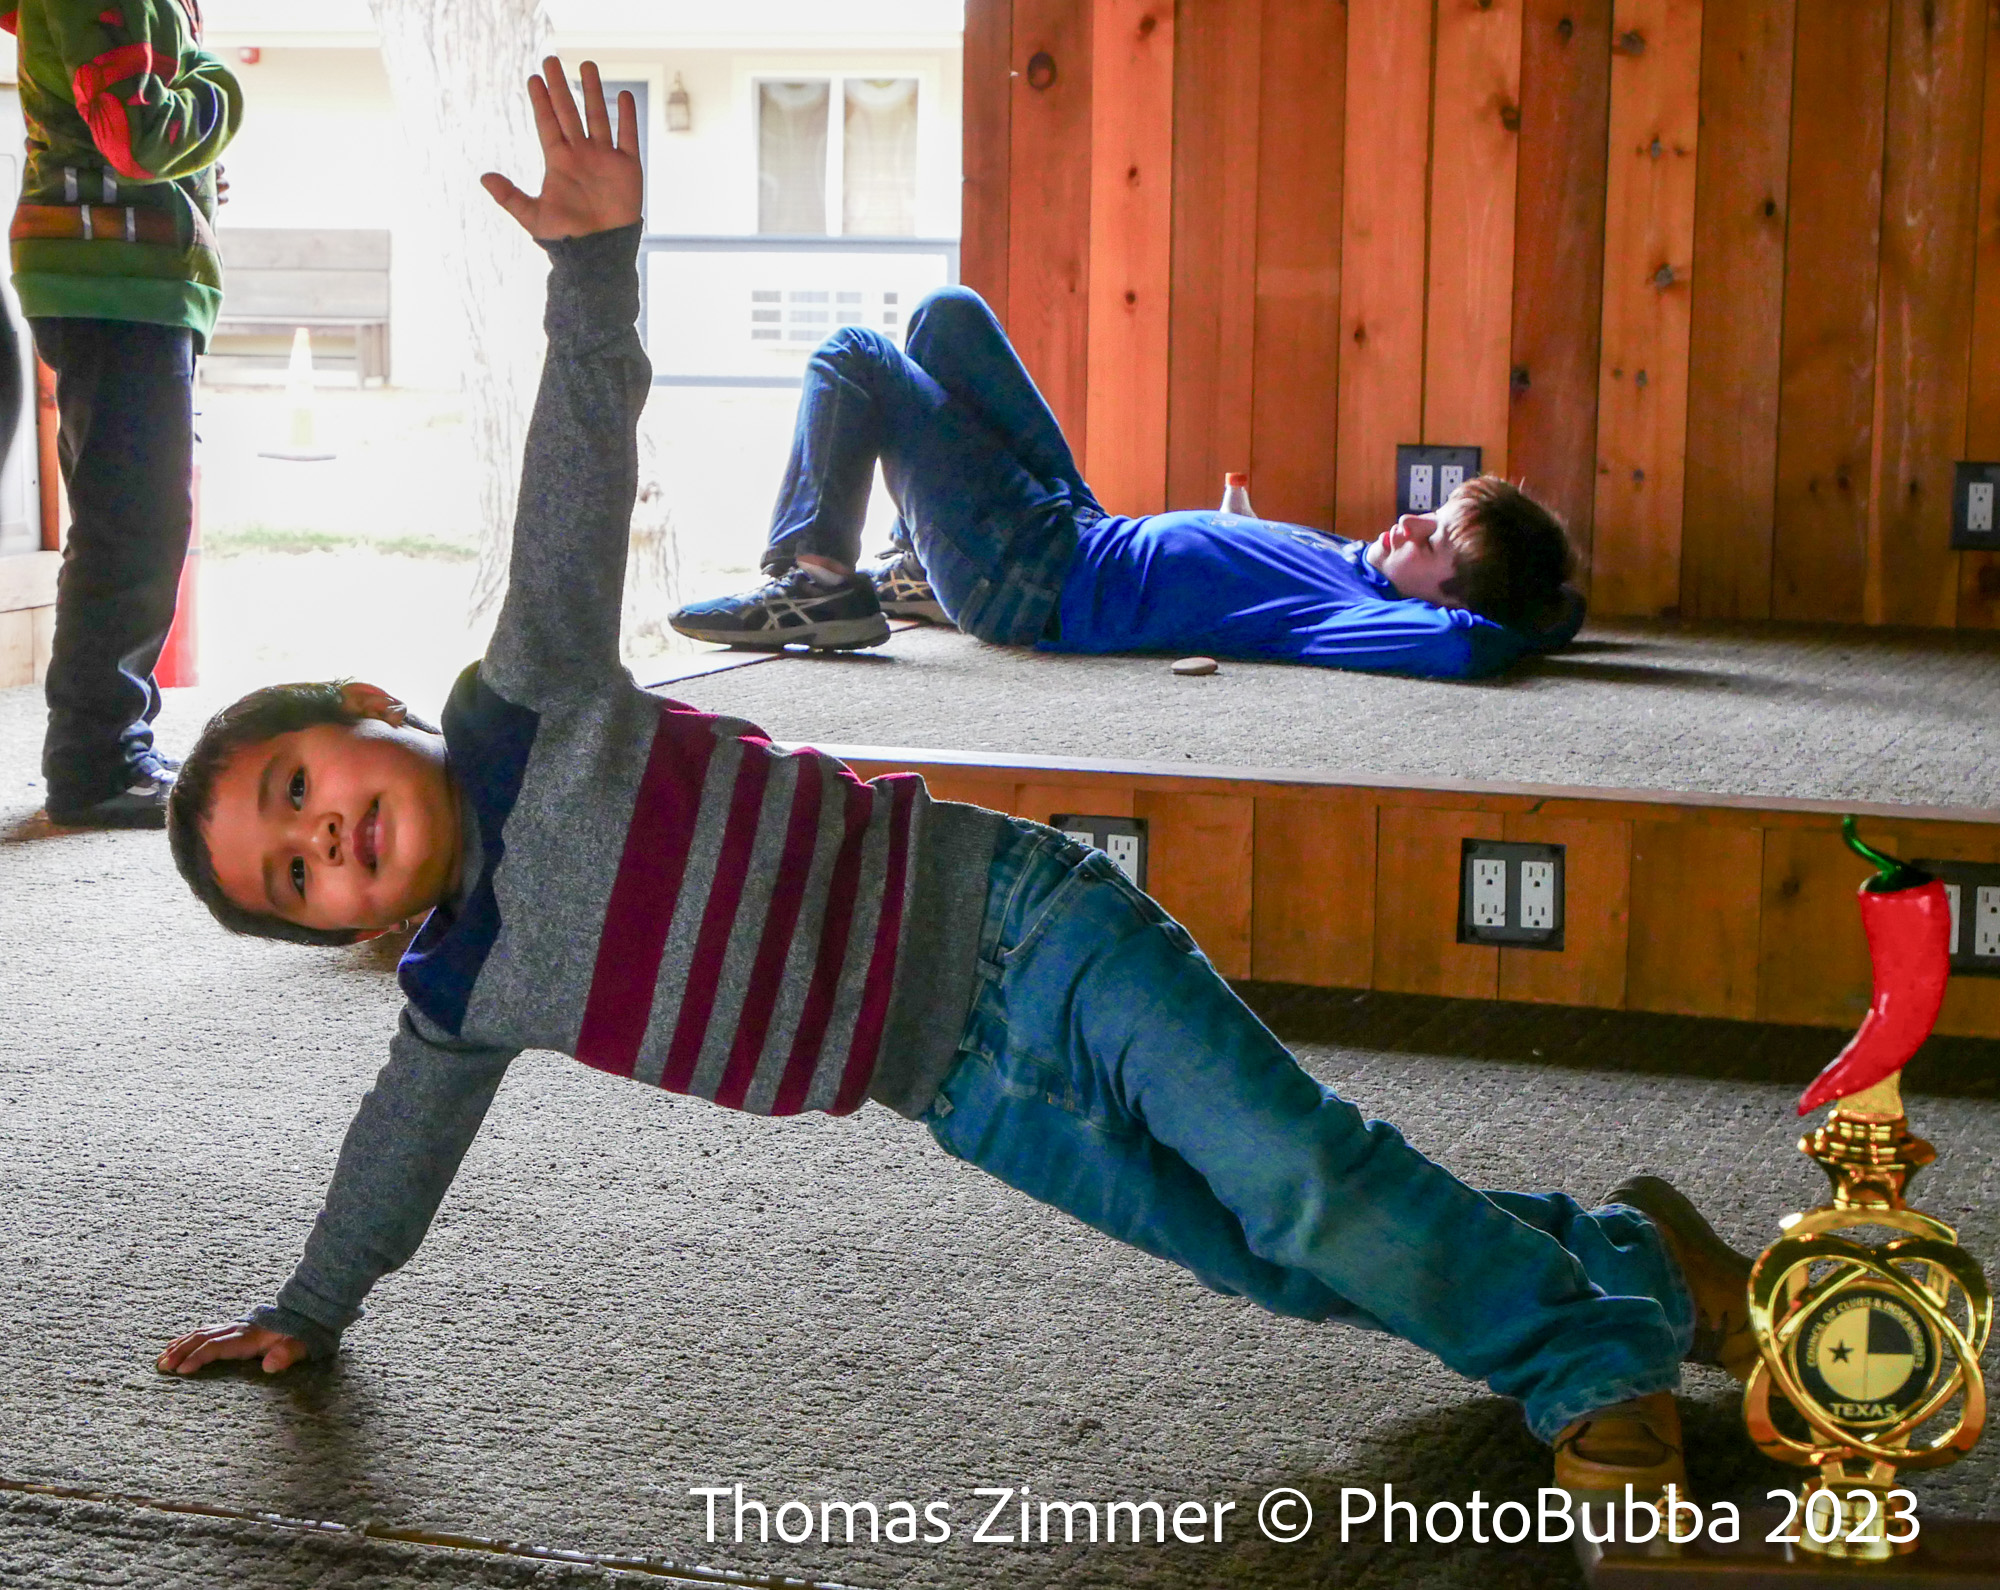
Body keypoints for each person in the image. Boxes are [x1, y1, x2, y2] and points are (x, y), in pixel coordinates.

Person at [155, 61, 1751, 1525]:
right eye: (294, 875)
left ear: (367, 708)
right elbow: (393, 1156)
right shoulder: (462, 993)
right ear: (336, 922)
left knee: (1308, 1181)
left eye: (298, 786)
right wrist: (308, 1307)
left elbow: (575, 466)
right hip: (968, 1095)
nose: (322, 837)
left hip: (1028, 931)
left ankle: (1587, 1371)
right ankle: (1629, 1259)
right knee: (1276, 1250)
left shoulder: (529, 699)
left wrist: (595, 266)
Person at [668, 287, 1583, 680]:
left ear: (1450, 600)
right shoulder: (1356, 561)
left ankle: (817, 585)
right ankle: (920, 565)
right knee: (947, 316)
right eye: (1433, 514)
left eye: (1436, 543)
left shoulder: (1358, 616)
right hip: (1079, 527)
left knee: (853, 357)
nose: (1412, 523)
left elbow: (1467, 650)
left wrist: (1540, 616)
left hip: (1032, 579)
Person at [9, 0, 242, 827]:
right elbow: (140, 140)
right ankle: (96, 762)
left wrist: (195, 173)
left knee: (138, 519)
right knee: (133, 523)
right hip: (113, 278)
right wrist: (219, 88)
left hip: (127, 276)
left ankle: (108, 745)